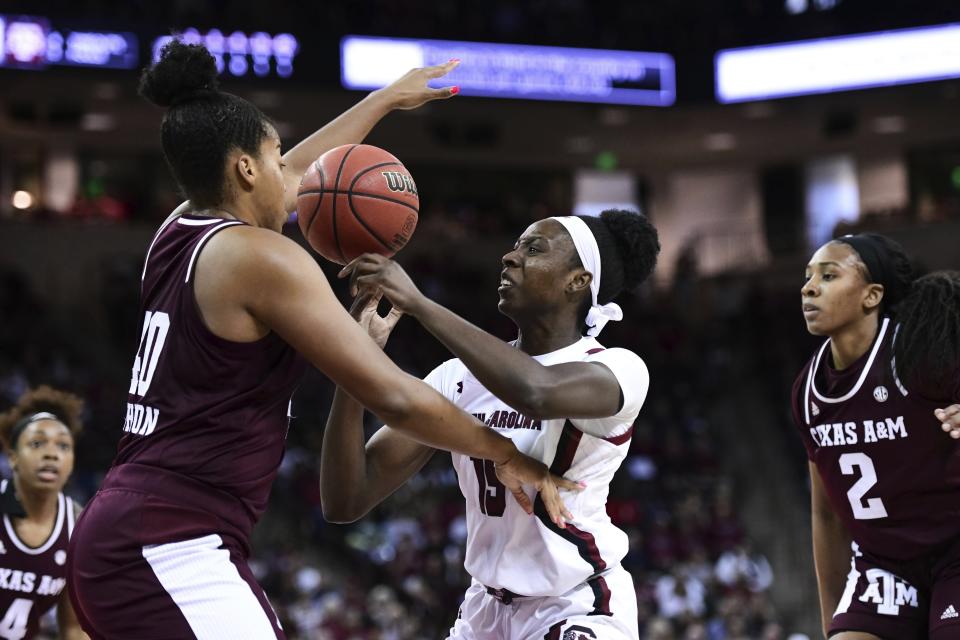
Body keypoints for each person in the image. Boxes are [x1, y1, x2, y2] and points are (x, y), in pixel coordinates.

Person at [66, 41, 575, 640]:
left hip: (138, 525)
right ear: (246, 169)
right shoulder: (263, 258)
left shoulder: (177, 229)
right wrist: (508, 454)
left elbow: (301, 173)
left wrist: (384, 101)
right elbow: (399, 400)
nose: (291, 168)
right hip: (166, 538)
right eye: (276, 153)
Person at [322, 209, 660, 639]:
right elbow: (346, 498)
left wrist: (419, 304)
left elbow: (536, 392)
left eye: (533, 249)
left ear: (578, 280)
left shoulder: (616, 368)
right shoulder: (457, 378)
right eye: (516, 245)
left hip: (575, 604)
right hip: (484, 612)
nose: (509, 257)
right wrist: (355, 359)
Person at [792, 233, 960, 639]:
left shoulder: (920, 352)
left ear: (872, 296)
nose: (809, 288)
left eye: (829, 276)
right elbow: (827, 514)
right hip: (884, 563)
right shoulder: (808, 391)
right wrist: (832, 624)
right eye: (808, 276)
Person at [0, 386, 87, 640]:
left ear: (72, 462)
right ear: (13, 456)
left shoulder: (79, 527)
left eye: (63, 446)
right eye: (37, 443)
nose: (51, 454)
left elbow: (73, 627)